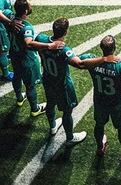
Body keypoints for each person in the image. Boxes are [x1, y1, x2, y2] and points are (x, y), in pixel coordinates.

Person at [35, 17, 108, 145]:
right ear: (66, 32)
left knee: (50, 103)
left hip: (48, 80)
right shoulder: (63, 50)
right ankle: (69, 137)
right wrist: (103, 59)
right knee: (67, 111)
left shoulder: (41, 39)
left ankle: (52, 126)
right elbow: (79, 64)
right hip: (62, 86)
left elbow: (30, 43)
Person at [8, 0, 59, 115]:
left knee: (16, 76)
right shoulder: (26, 27)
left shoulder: (11, 20)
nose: (31, 7)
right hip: (26, 60)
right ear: (25, 11)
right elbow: (28, 43)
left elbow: (0, 15)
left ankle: (19, 98)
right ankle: (35, 109)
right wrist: (49, 46)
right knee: (30, 86)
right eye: (29, 6)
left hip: (14, 56)